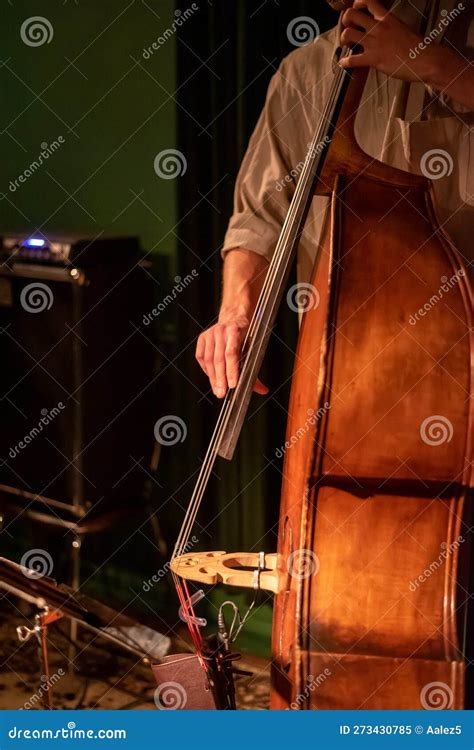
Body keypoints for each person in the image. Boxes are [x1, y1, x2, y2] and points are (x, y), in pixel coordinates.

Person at [196, 0, 474, 398]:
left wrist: (435, 65)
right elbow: (259, 219)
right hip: (346, 380)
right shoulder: (303, 72)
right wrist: (236, 314)